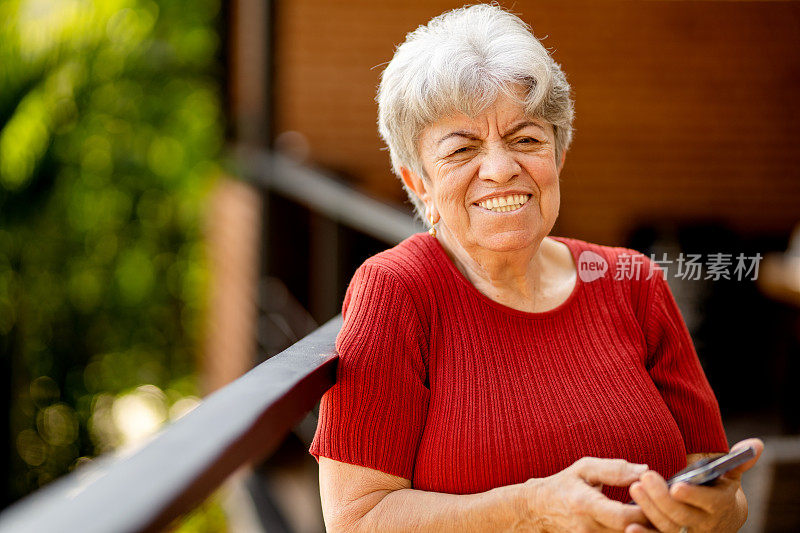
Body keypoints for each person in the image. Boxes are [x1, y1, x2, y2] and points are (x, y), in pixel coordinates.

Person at [309, 4, 763, 532]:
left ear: (559, 155)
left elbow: (720, 492)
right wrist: (529, 510)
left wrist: (716, 509)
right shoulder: (397, 290)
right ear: (418, 183)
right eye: (463, 149)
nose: (502, 169)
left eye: (526, 139)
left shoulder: (631, 280)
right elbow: (357, 519)